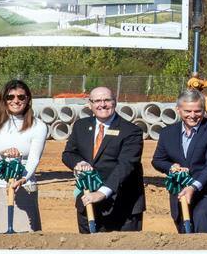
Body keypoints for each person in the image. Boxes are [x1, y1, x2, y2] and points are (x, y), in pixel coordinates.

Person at [60, 84, 145, 232]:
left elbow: (126, 165)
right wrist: (78, 163)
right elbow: (68, 154)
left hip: (122, 206)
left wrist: (102, 193)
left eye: (107, 100)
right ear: (90, 104)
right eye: (97, 101)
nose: (102, 104)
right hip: (88, 203)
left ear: (115, 102)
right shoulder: (80, 126)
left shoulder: (131, 131)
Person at [151, 91, 207, 232]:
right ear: (178, 110)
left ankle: (203, 249)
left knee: (200, 213)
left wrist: (194, 186)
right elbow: (158, 160)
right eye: (187, 111)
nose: (193, 115)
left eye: (198, 111)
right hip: (181, 188)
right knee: (182, 223)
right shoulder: (167, 133)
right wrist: (171, 167)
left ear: (204, 110)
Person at [0, 80, 46, 233]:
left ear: (28, 99)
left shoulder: (38, 126)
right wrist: (2, 154)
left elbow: (34, 159)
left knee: (25, 237)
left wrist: (23, 179)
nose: (16, 101)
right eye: (10, 97)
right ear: (4, 99)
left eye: (21, 97)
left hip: (23, 188)